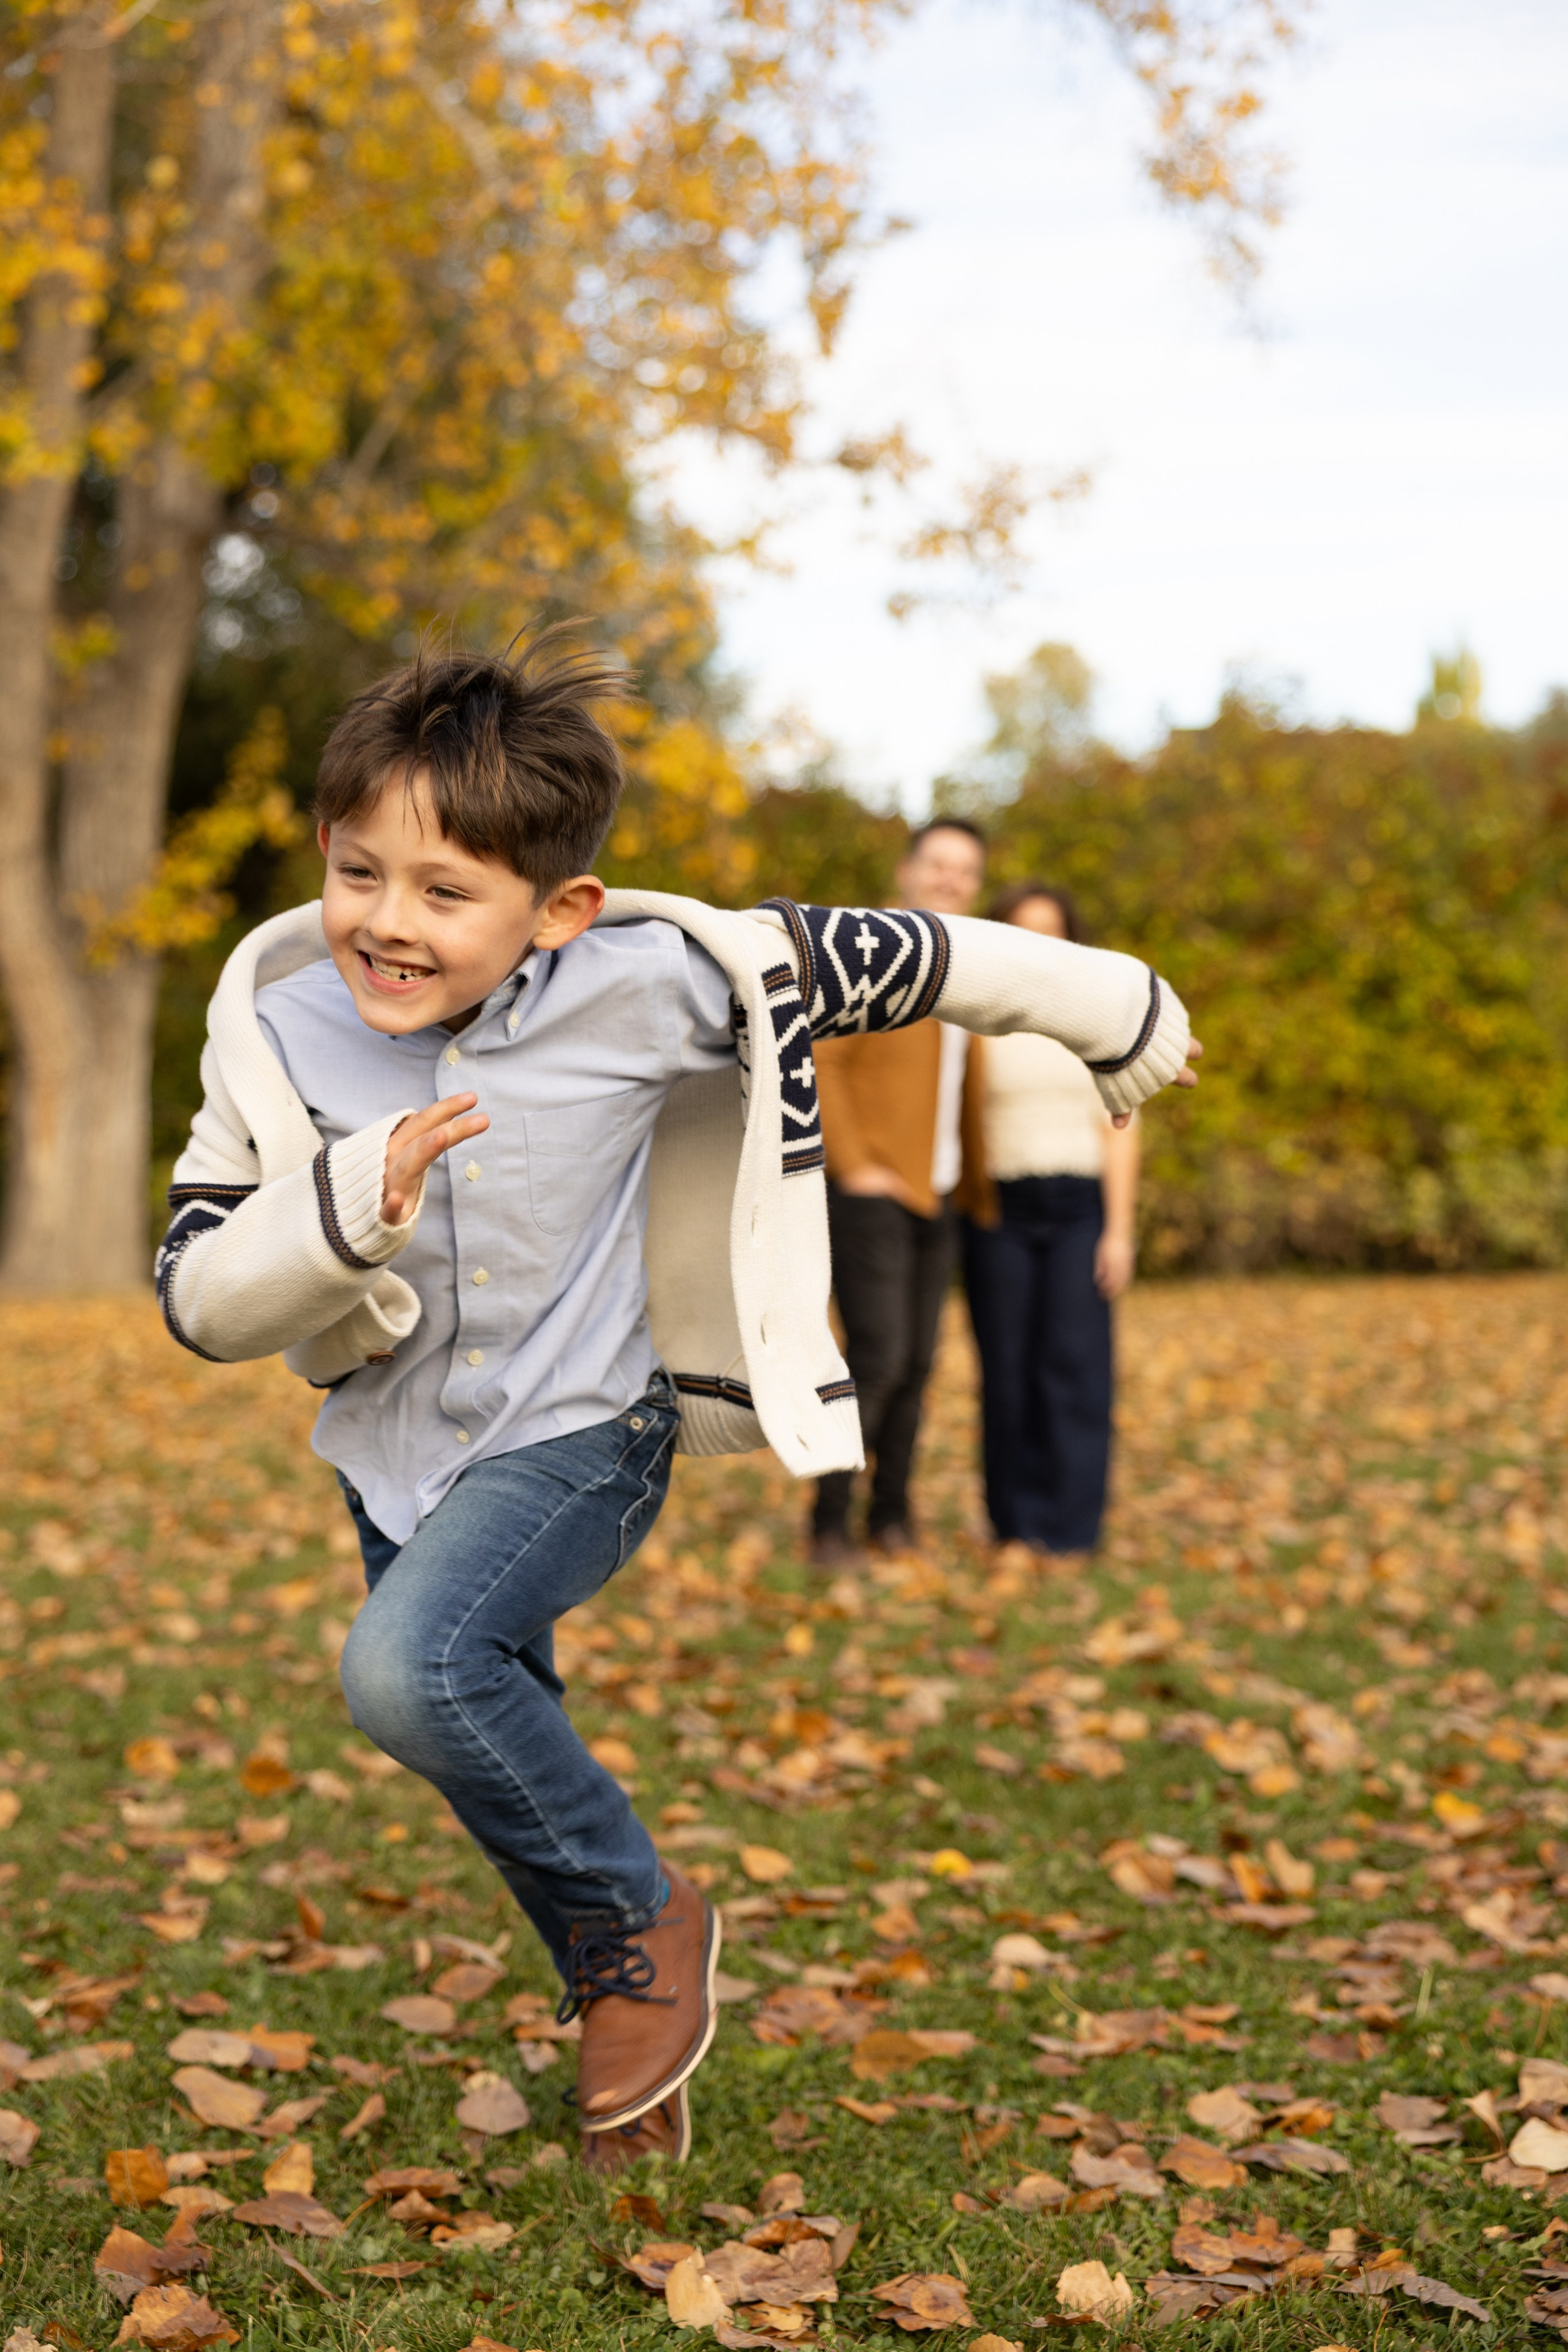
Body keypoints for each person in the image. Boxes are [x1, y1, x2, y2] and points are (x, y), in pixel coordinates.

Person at [156, 646, 1198, 2173]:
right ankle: (634, 2030)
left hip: (586, 1426)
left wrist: (1100, 1003)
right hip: (390, 1453)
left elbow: (893, 956)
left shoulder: (651, 979)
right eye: (359, 869)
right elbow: (191, 1286)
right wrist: (330, 1216)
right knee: (498, 1730)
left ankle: (647, 1919)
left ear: (556, 908)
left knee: (409, 1669)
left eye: (445, 892)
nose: (387, 919)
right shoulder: (271, 1026)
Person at [808, 819, 986, 1566]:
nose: (950, 879)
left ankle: (891, 1516)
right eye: (938, 864)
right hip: (872, 1192)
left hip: (936, 1194)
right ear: (908, 870)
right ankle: (828, 1521)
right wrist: (852, 1165)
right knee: (877, 1360)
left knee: (916, 1366)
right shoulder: (874, 950)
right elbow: (822, 1056)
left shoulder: (971, 967)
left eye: (965, 870)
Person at [959, 881, 1140, 1560]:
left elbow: (1122, 1128)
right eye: (1023, 929)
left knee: (1076, 1366)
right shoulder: (974, 1020)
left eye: (1052, 931)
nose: (1040, 943)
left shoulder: (1100, 1019)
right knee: (1005, 1368)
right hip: (998, 1210)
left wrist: (1118, 1231)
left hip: (1078, 1210)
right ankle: (1013, 1523)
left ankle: (1070, 1527)